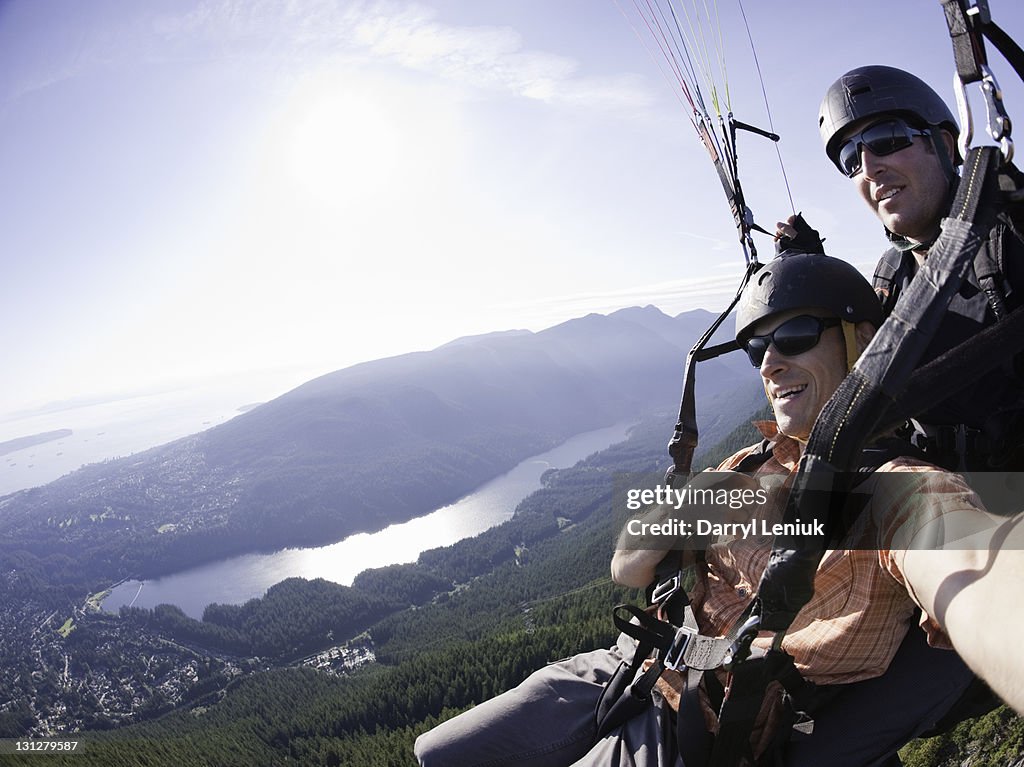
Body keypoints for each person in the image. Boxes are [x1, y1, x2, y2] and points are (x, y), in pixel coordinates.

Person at [414, 252, 1024, 767]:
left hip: (704, 724)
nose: (769, 361)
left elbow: (974, 562)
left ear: (863, 340)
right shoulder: (746, 464)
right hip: (637, 664)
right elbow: (625, 567)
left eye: (794, 336)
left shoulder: (896, 490)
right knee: (438, 751)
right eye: (758, 346)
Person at [781, 65, 1024, 473]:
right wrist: (808, 269)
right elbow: (863, 358)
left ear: (945, 146)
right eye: (850, 158)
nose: (869, 167)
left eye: (885, 139)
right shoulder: (893, 272)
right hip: (929, 493)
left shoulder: (1009, 246)